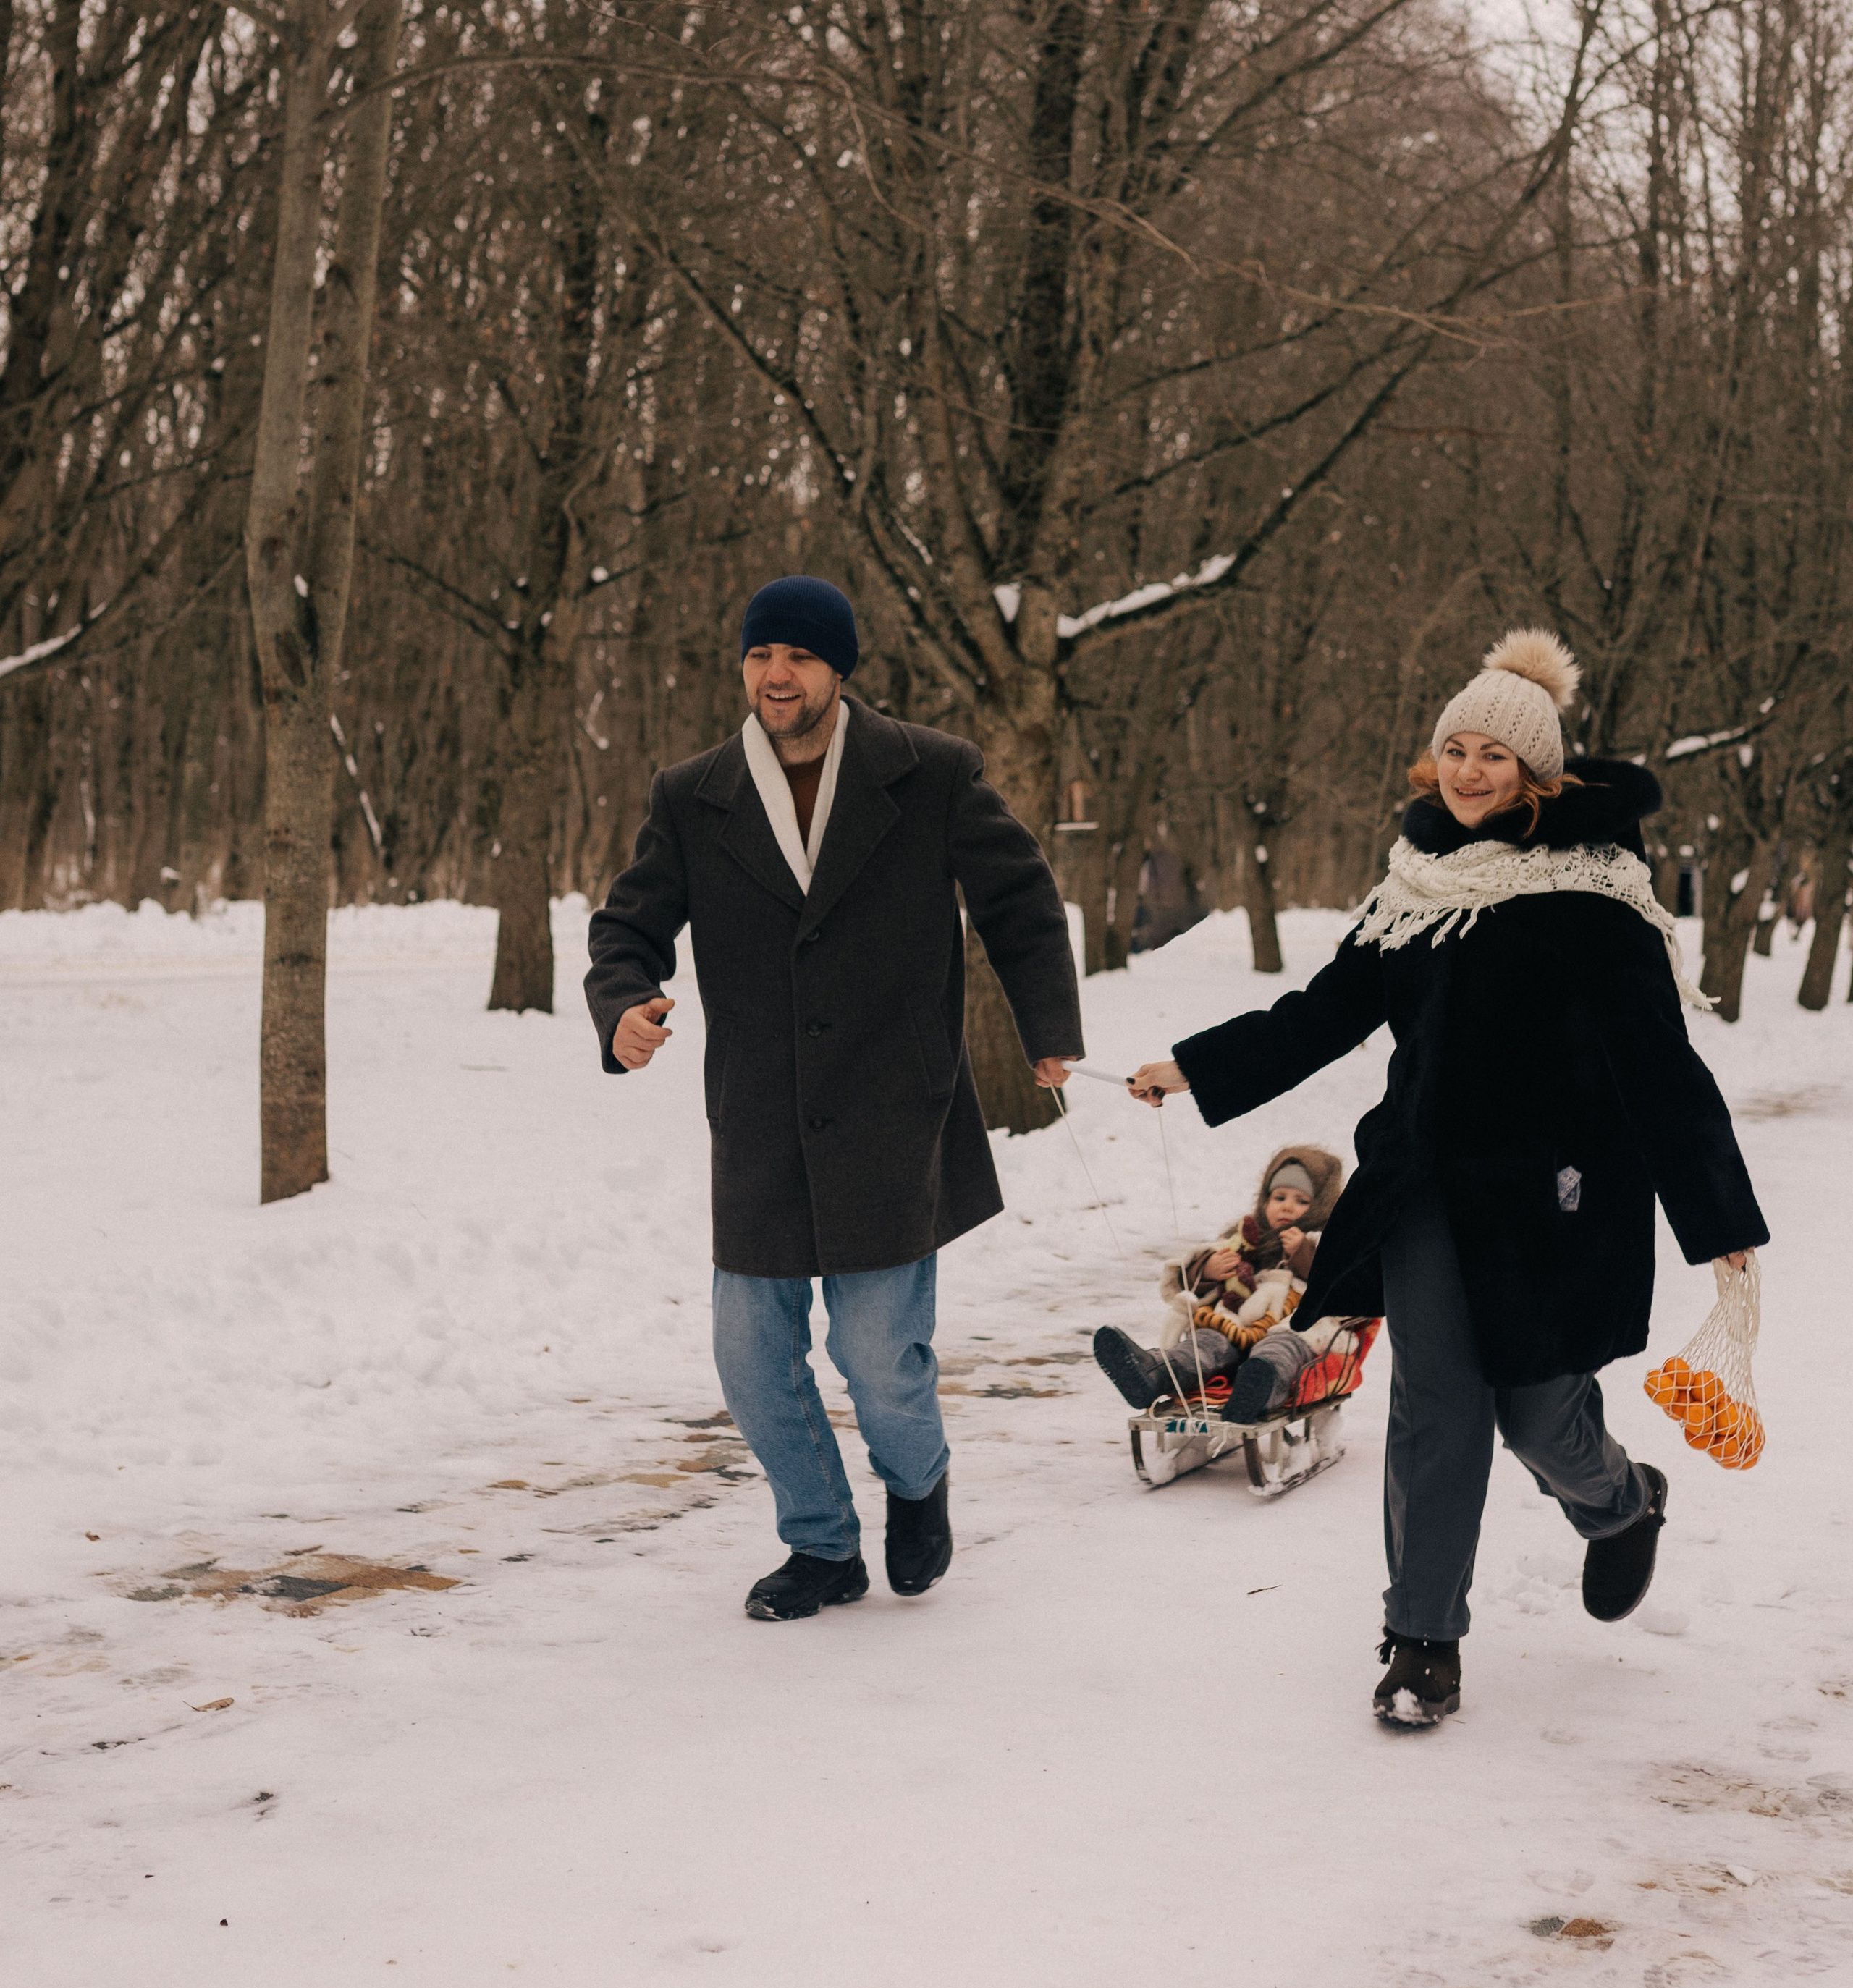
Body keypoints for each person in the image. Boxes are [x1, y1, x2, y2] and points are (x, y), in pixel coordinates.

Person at [1126, 629, 1769, 1729]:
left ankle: (1619, 1503)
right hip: (1425, 1187)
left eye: (1495, 754)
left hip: (1561, 1200)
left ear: (1538, 771)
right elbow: (1323, 1013)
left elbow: (1661, 1067)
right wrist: (1194, 1066)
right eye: (1455, 749)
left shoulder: (1595, 893)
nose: (1470, 770)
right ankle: (1423, 1637)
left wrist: (1718, 1219)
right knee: (1437, 1411)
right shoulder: (1418, 887)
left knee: (1534, 1418)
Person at [584, 575, 1084, 1621]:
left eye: (801, 658)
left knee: (875, 1354)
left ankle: (917, 1485)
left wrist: (1047, 1030)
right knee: (752, 1355)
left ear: (839, 670)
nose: (778, 676)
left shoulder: (930, 773)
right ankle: (820, 1546)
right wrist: (625, 1003)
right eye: (762, 656)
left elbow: (1020, 895)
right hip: (760, 1117)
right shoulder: (694, 793)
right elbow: (628, 924)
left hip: (894, 1109)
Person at [1092, 1143, 1361, 1421]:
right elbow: (1191, 1283)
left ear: (1320, 1207)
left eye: (1301, 1201)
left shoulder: (1329, 1241)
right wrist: (1208, 1269)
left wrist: (1303, 1255)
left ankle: (1258, 1389)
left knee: (1280, 1351)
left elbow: (1346, 1287)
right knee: (1205, 1345)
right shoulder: (1246, 1237)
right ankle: (1154, 1372)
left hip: (1293, 1325)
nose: (1287, 1207)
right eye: (1279, 1197)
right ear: (1264, 1199)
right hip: (1234, 1324)